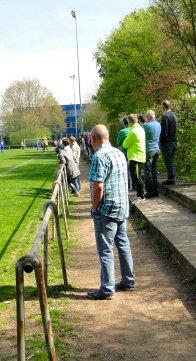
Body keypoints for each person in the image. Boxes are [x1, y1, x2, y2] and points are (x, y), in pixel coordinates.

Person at [87, 124, 135, 300]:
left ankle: (107, 288)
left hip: (106, 209)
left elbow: (98, 187)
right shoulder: (119, 153)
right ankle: (128, 280)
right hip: (122, 206)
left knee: (105, 249)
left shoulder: (99, 156)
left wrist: (94, 207)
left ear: (93, 139)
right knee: (123, 244)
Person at [122, 114, 146, 201]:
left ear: (130, 122)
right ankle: (140, 194)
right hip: (140, 156)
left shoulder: (133, 132)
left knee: (137, 178)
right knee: (137, 177)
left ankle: (141, 195)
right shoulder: (140, 129)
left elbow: (125, 144)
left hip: (135, 157)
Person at [143, 110, 161, 198]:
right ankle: (156, 191)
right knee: (154, 171)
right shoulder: (158, 124)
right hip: (156, 149)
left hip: (148, 150)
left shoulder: (145, 126)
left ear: (147, 117)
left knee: (147, 171)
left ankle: (150, 192)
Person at [160, 100, 178, 185]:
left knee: (168, 161)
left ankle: (171, 179)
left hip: (167, 142)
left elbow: (164, 132)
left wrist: (161, 141)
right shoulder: (174, 115)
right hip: (174, 141)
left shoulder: (165, 117)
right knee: (171, 160)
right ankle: (172, 177)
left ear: (163, 107)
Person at [116, 116, 132, 190]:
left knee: (126, 169)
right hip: (134, 151)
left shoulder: (122, 131)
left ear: (123, 123)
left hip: (125, 152)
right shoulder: (134, 129)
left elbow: (118, 142)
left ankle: (128, 185)